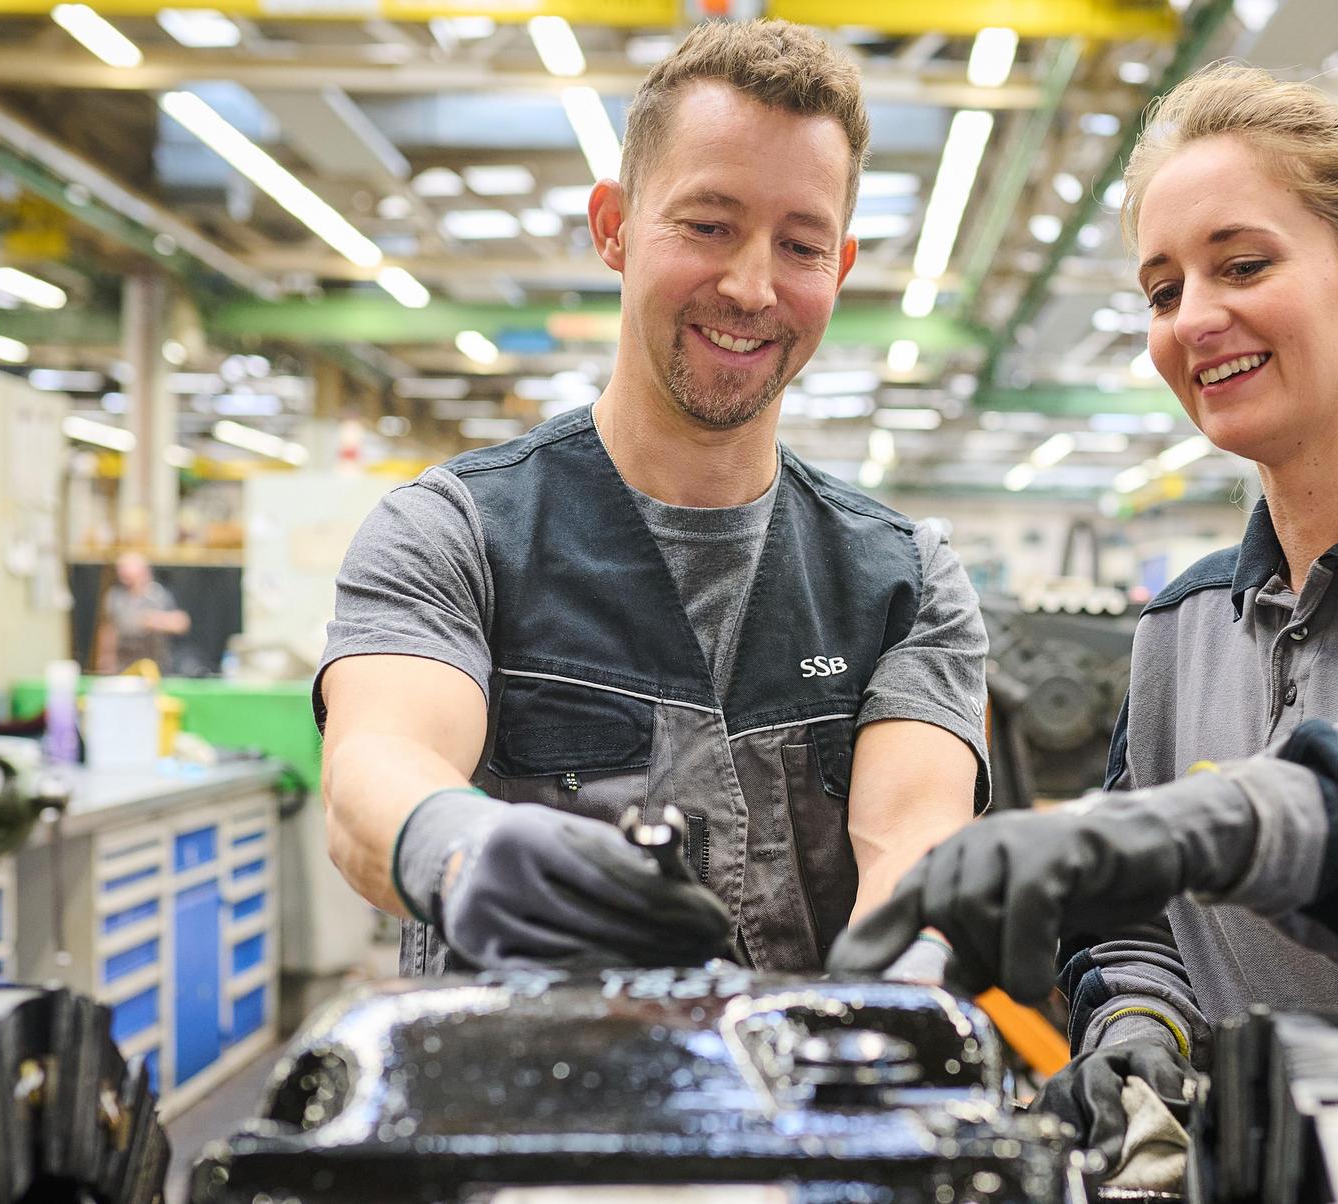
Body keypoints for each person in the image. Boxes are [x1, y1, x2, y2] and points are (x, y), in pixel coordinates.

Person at [831, 65, 1338, 1202]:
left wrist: (1186, 826)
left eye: (1242, 265)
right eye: (1162, 288)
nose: (1193, 318)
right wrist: (1139, 1025)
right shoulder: (1183, 625)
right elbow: (1138, 925)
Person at [316, 20, 988, 978]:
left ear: (838, 268)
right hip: (513, 1074)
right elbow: (373, 774)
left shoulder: (906, 582)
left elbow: (912, 841)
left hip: (805, 1074)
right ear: (614, 228)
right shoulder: (452, 534)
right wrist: (464, 849)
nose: (751, 286)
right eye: (708, 226)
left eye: (800, 245)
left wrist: (914, 960)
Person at [95, 550, 190, 673]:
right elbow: (108, 630)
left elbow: (181, 623)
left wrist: (155, 620)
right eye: (122, 572)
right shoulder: (115, 597)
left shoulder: (158, 595)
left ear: (144, 572)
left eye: (130, 574)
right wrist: (105, 659)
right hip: (124, 667)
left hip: (155, 666)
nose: (125, 577)